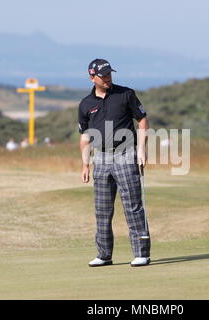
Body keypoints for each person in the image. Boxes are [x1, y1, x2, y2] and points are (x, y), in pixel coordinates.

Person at [78, 58, 151, 267]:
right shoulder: (85, 104)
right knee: (102, 210)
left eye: (110, 74)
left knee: (133, 207)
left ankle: (141, 253)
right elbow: (85, 137)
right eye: (104, 75)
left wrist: (141, 149)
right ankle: (104, 255)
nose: (108, 78)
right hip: (100, 157)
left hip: (126, 154)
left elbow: (143, 120)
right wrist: (85, 165)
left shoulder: (126, 94)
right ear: (92, 77)